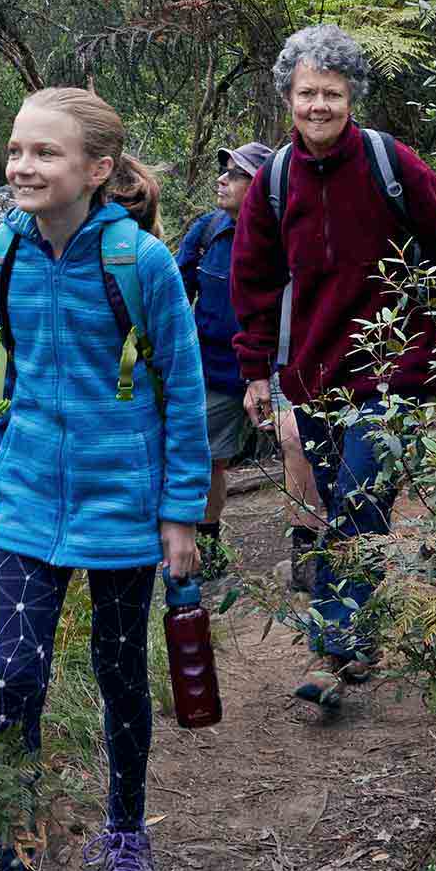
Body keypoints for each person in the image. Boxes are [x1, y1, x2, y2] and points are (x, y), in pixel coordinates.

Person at [0, 86, 209, 871]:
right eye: (16, 150)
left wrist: (180, 512)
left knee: (117, 673)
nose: (23, 167)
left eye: (45, 153)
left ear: (98, 168)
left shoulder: (139, 262)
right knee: (15, 676)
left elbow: (181, 386)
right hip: (27, 495)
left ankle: (127, 830)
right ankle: (14, 846)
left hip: (121, 502)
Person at [229, 24, 436, 705]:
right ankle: (361, 638)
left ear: (352, 98)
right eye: (307, 93)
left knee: (360, 500)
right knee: (342, 503)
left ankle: (332, 650)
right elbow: (252, 281)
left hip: (393, 369)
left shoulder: (391, 164)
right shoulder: (275, 182)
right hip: (312, 375)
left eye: (332, 94)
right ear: (288, 97)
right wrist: (256, 371)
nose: (319, 106)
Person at [174, 140, 272, 578]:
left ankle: (311, 548)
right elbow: (176, 295)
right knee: (209, 457)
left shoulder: (283, 233)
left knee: (298, 451)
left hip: (275, 371)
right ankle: (208, 545)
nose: (222, 179)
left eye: (234, 174)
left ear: (260, 184)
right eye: (224, 171)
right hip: (214, 370)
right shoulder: (208, 230)